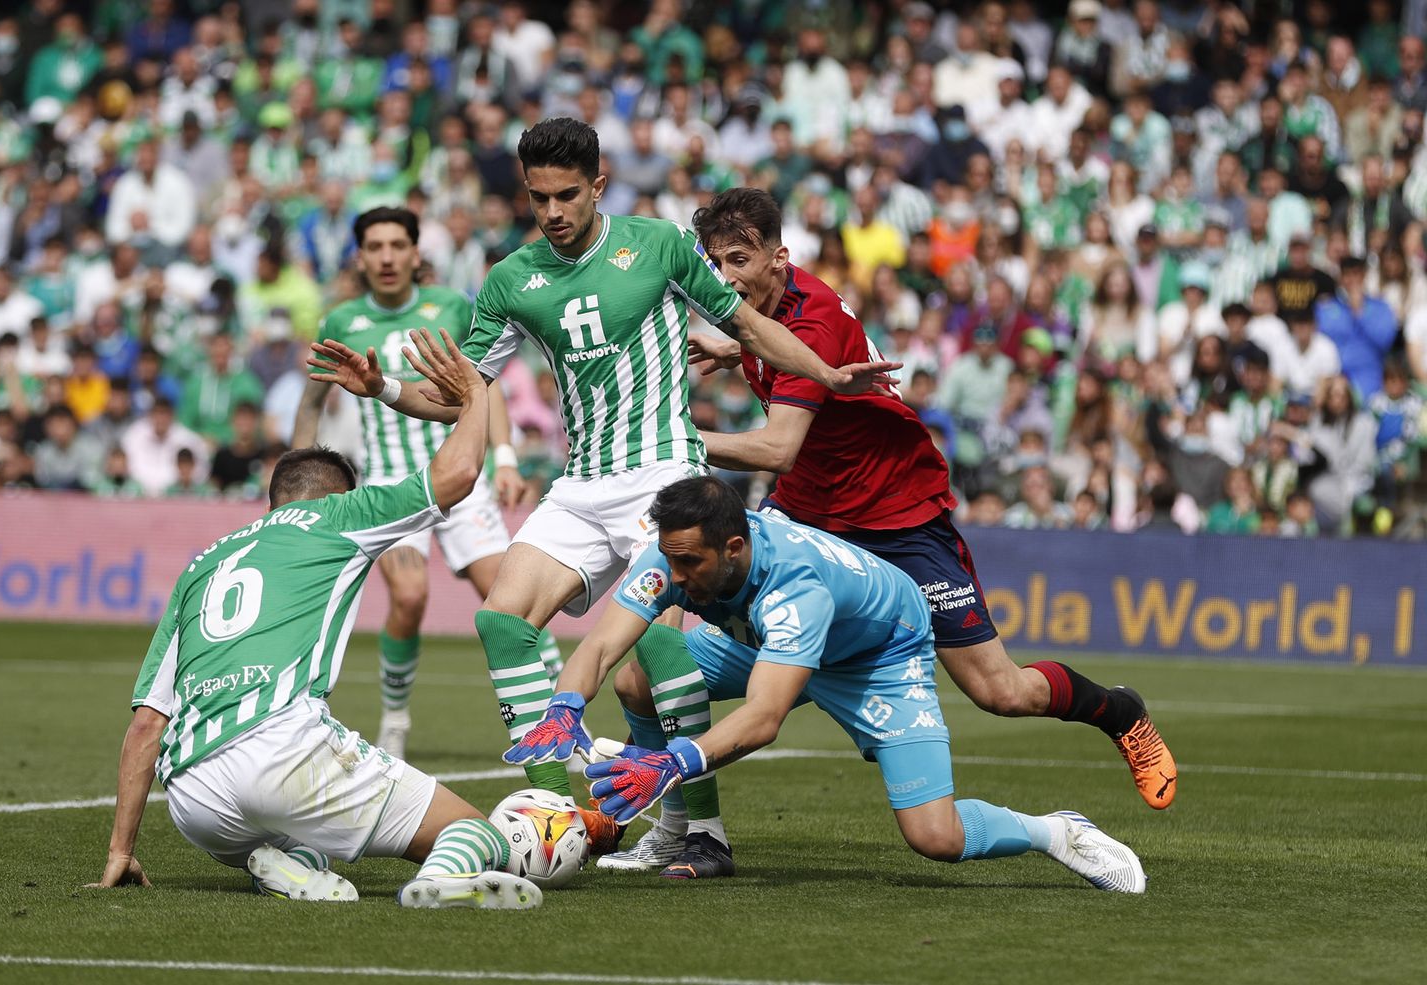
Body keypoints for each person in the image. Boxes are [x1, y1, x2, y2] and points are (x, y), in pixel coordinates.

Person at [307, 118, 890, 871]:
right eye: (537, 195)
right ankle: (557, 811)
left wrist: (828, 372)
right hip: (583, 483)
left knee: (652, 645)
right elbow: (463, 399)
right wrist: (382, 386)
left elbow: (747, 325)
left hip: (663, 476)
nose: (551, 210)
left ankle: (700, 832)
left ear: (599, 186)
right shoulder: (512, 279)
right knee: (501, 618)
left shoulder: (658, 246)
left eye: (567, 195)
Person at [676, 189, 1173, 845]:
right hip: (809, 514)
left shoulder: (811, 318)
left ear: (780, 256)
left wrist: (675, 438)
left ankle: (1119, 710)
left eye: (740, 257)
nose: (727, 275)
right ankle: (669, 821)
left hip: (896, 515)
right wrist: (738, 352)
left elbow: (776, 446)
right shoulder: (759, 319)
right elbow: (796, 368)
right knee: (674, 666)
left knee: (1001, 692)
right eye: (716, 261)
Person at [506, 477, 1147, 894]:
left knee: (936, 837)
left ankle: (1058, 830)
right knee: (639, 679)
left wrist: (670, 763)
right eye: (668, 559)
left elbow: (763, 718)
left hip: (878, 657)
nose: (673, 576)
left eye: (688, 564)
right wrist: (566, 703)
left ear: (733, 548)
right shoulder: (675, 552)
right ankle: (678, 832)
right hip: (764, 644)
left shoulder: (794, 590)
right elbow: (600, 644)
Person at [89, 331, 542, 911]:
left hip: (194, 801)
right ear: (335, 496)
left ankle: (286, 867)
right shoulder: (338, 517)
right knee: (475, 833)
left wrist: (120, 849)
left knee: (306, 843)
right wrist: (477, 398)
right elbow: (454, 479)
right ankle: (445, 882)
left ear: (272, 500)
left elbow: (147, 723)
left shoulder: (205, 562)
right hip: (281, 752)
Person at [294, 206, 565, 760]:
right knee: (411, 595)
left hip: (462, 477)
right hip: (394, 488)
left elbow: (482, 385)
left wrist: (506, 458)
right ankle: (395, 718)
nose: (388, 256)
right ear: (361, 257)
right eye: (375, 246)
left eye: (398, 245)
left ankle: (562, 713)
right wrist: (293, 486)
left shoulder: (452, 307)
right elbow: (311, 402)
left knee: (512, 599)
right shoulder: (341, 321)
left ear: (416, 254)